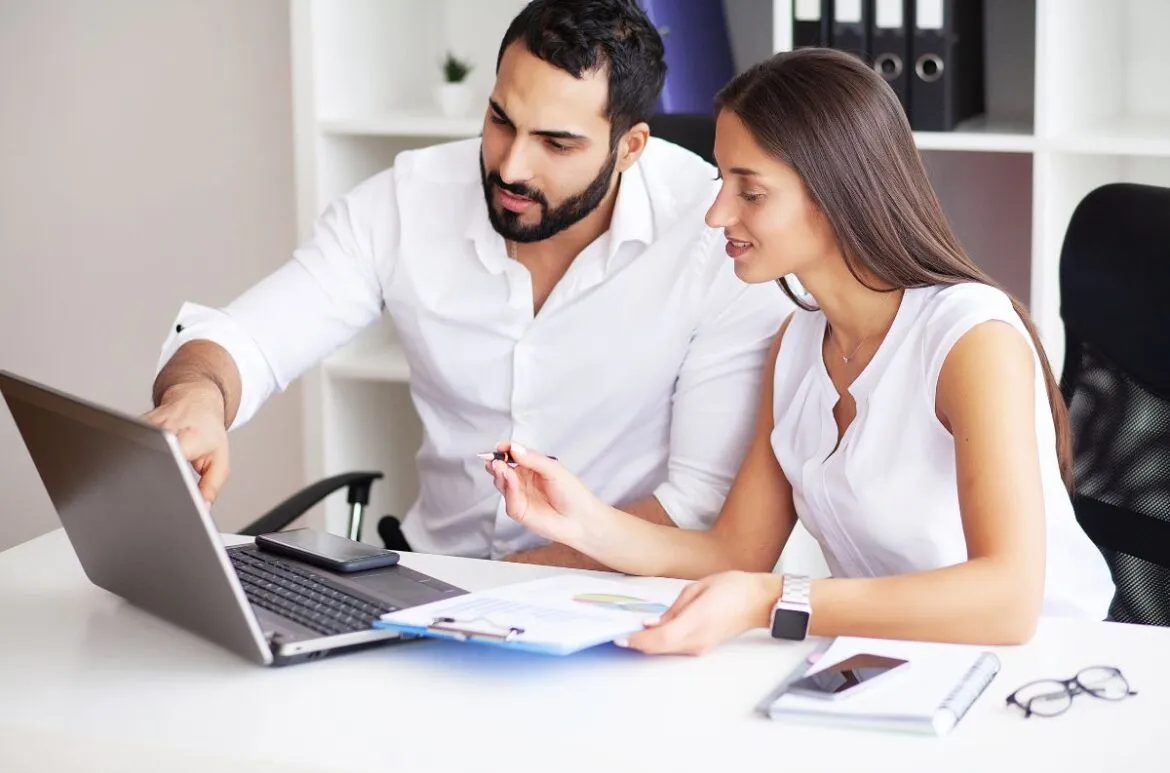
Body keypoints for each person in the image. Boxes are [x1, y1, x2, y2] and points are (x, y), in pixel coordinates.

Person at [485, 47, 1116, 652]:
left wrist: (771, 602)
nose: (716, 215)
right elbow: (734, 554)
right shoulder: (796, 343)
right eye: (720, 181)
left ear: (838, 193)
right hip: (902, 662)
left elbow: (1007, 600)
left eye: (750, 192)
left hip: (1051, 668)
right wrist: (579, 519)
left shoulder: (970, 340)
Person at [146, 0, 789, 565]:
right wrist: (198, 397)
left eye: (556, 144)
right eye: (501, 120)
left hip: (608, 592)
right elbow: (249, 341)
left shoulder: (716, 239)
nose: (511, 165)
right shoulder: (408, 200)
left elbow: (697, 504)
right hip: (430, 577)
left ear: (630, 147)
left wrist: (513, 584)